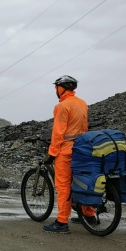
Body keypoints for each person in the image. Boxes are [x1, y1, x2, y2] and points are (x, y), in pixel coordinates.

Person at [42, 75, 96, 233]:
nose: (55, 90)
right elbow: (84, 128)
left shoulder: (62, 106)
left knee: (63, 186)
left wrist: (52, 153)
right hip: (82, 149)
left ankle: (62, 222)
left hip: (66, 151)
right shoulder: (82, 103)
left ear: (61, 88)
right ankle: (89, 215)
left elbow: (58, 133)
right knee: (83, 182)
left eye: (56, 87)